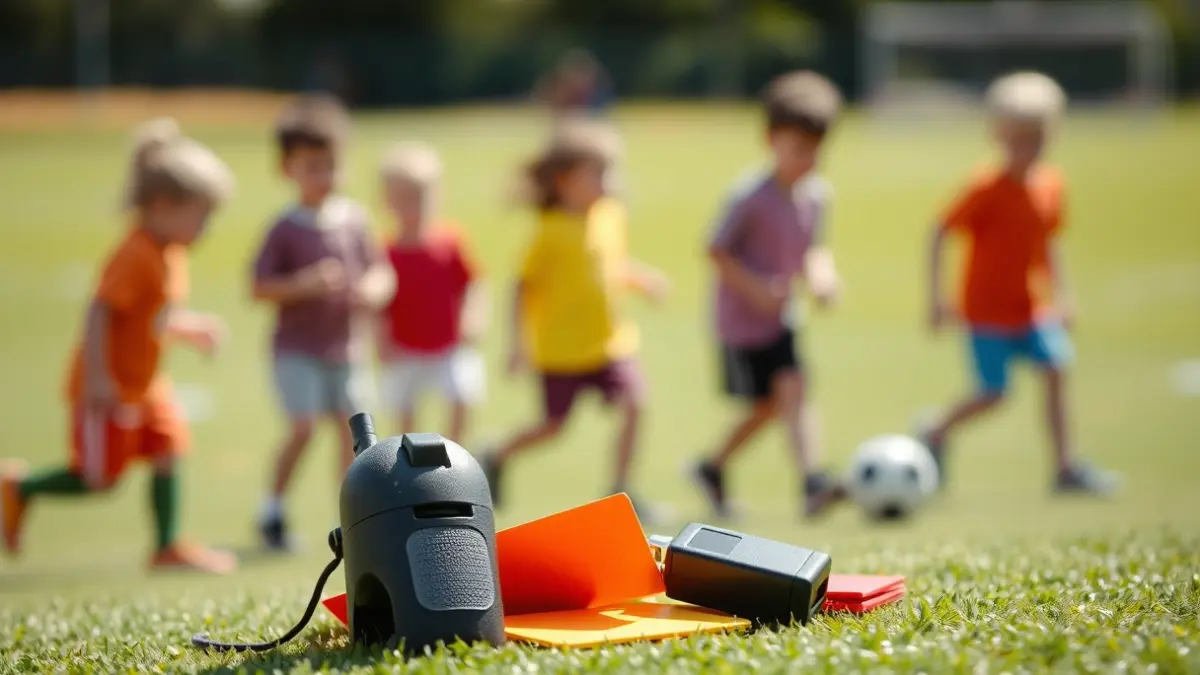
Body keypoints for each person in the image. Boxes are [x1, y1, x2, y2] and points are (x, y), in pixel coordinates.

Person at [1, 118, 238, 573]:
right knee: (99, 479)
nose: (207, 228)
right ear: (163, 205)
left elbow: (155, 317)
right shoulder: (136, 253)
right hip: (109, 388)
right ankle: (18, 488)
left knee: (170, 446)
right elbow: (99, 310)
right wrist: (97, 377)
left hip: (146, 385)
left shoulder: (170, 251)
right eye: (201, 215)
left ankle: (166, 546)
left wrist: (191, 329)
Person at [917, 71, 1120, 495]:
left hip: (1031, 307)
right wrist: (937, 299)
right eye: (1017, 139)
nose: (1027, 150)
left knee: (1057, 367)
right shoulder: (985, 187)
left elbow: (1049, 241)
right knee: (994, 393)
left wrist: (1063, 295)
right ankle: (935, 428)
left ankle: (1065, 468)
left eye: (1037, 140)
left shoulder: (1050, 184)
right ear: (997, 135)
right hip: (986, 311)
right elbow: (939, 229)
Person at [479, 119, 670, 522]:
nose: (608, 182)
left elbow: (611, 265)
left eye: (610, 172)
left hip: (609, 343)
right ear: (565, 181)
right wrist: (518, 345)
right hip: (561, 351)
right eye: (597, 174)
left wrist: (643, 279)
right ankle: (497, 453)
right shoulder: (548, 232)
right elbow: (521, 286)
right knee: (552, 427)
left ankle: (621, 488)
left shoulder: (610, 215)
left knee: (636, 402)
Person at [690, 71, 846, 520]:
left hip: (782, 319)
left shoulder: (817, 195)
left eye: (816, 150)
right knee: (767, 406)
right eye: (798, 149)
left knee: (794, 390)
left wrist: (823, 277)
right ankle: (712, 466)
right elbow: (715, 249)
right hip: (741, 321)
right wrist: (756, 288)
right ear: (770, 139)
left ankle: (814, 480)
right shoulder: (750, 196)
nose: (808, 160)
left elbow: (813, 247)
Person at [251, 94, 395, 551]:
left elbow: (381, 271)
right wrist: (305, 285)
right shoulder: (286, 227)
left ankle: (355, 519)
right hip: (298, 350)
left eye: (331, 164)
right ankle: (272, 507)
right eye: (312, 165)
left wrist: (373, 290)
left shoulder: (354, 219)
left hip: (347, 348)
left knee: (354, 434)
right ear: (287, 169)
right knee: (303, 427)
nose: (324, 176)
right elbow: (260, 286)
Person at [376, 141, 489, 442]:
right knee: (404, 409)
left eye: (421, 196)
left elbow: (473, 283)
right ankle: (408, 466)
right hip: (405, 347)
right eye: (405, 197)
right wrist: (381, 340)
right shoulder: (385, 251)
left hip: (449, 344)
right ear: (387, 200)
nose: (414, 205)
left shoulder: (450, 242)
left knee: (463, 395)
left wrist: (473, 317)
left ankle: (454, 456)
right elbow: (379, 305)